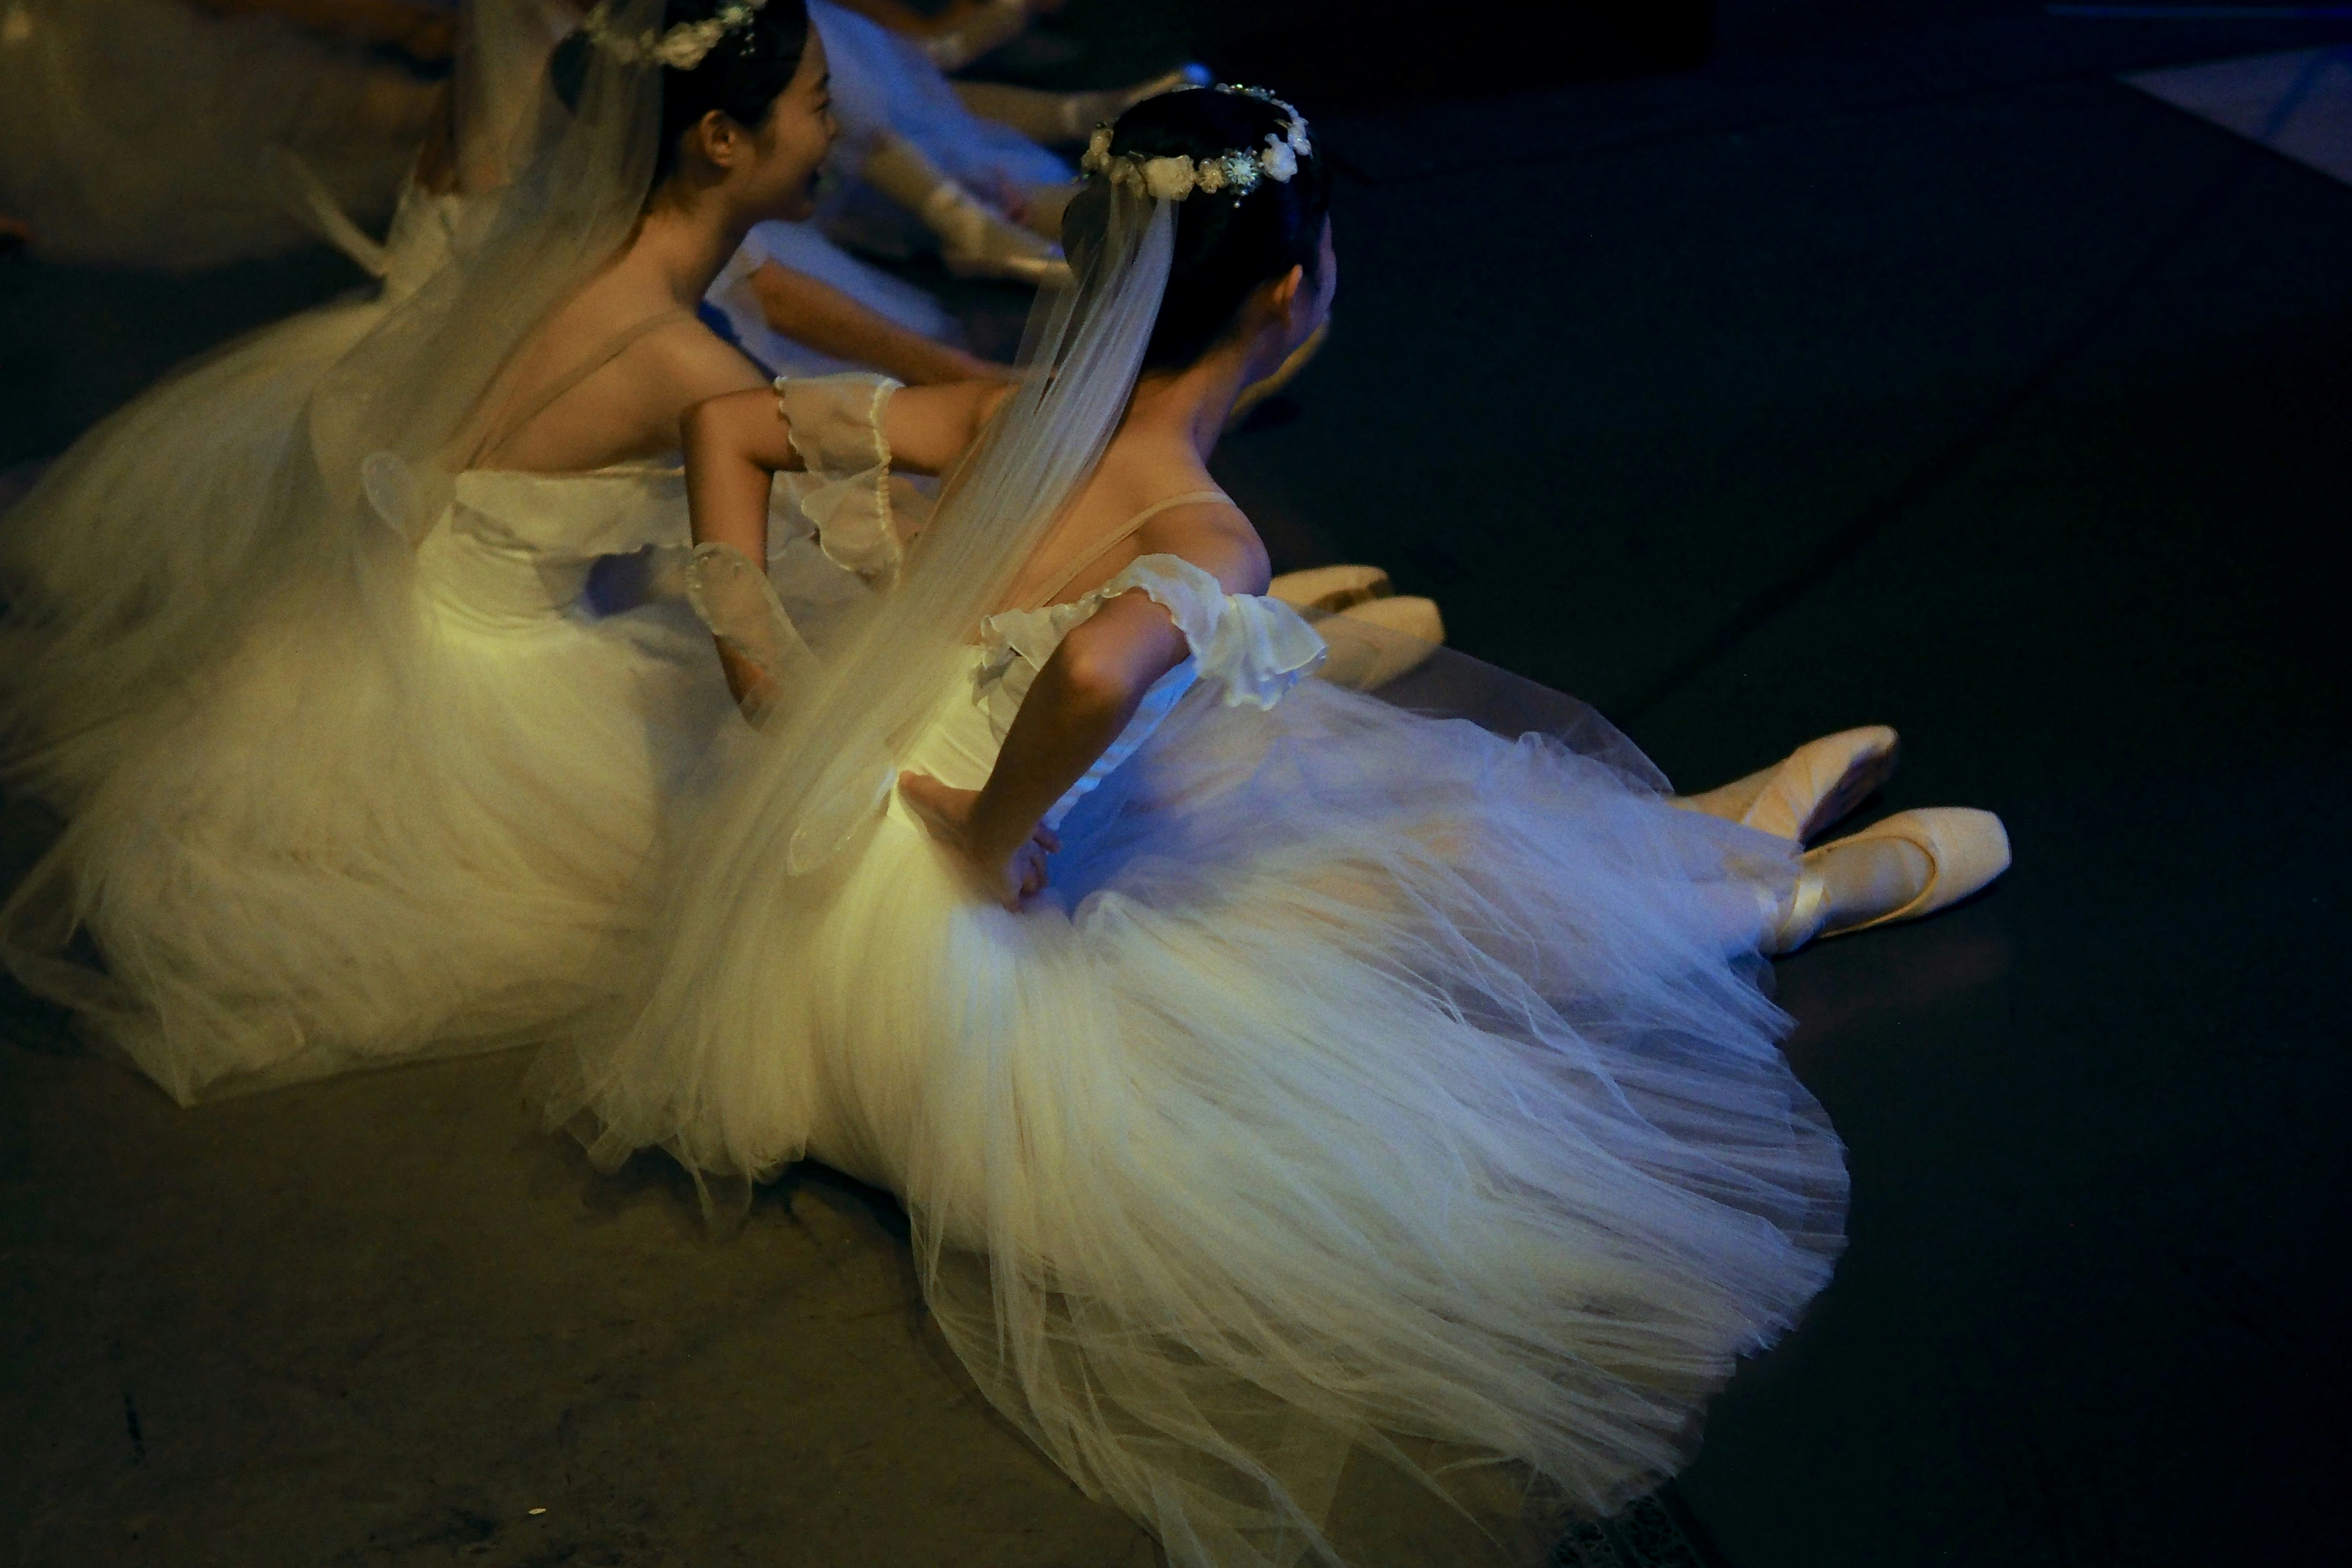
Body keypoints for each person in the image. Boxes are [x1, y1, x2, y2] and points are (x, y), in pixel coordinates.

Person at [535, 84, 2011, 1566]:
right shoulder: (1202, 530)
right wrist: (990, 833)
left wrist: (764, 673)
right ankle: (1786, 894)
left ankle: (1710, 835)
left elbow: (732, 421)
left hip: (827, 906)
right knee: (1435, 876)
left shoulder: (1000, 418)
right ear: (1293, 292)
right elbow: (1102, 666)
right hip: (978, 966)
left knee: (1319, 769)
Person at [0, 0, 897, 1104]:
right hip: (497, 682)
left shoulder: (575, 250)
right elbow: (808, 563)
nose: (837, 131)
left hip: (403, 628)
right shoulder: (682, 362)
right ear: (720, 139)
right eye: (818, 106)